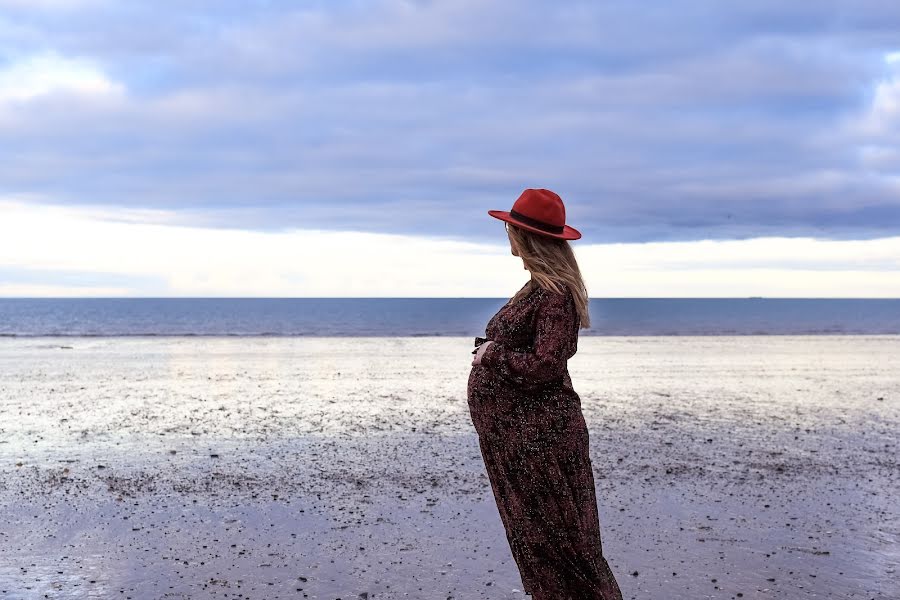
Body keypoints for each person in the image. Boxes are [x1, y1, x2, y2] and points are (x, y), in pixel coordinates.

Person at [467, 188, 624, 600]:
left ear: (524, 236)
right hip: (517, 440)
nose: (508, 236)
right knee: (538, 543)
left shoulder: (553, 296)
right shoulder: (536, 289)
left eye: (511, 228)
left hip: (540, 441)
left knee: (563, 546)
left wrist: (493, 354)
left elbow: (545, 364)